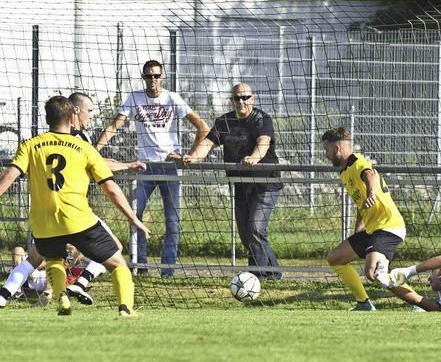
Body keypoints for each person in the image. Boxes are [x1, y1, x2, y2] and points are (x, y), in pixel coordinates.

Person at [0, 96, 150, 316]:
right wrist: (133, 218)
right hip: (78, 220)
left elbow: (7, 179)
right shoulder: (83, 147)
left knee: (52, 259)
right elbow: (110, 188)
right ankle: (126, 308)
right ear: (72, 116)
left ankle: (62, 296)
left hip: (43, 224)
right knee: (118, 263)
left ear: (46, 118)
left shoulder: (30, 146)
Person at [96, 60, 209, 277]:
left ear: (162, 76)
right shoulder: (135, 98)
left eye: (156, 76)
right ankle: (141, 267)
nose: (153, 80)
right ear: (143, 77)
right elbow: (113, 127)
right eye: (148, 76)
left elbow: (203, 127)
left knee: (172, 221)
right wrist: (93, 151)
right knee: (134, 215)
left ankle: (168, 271)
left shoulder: (172, 98)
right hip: (144, 167)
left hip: (170, 167)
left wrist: (191, 155)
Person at [319, 127, 441, 312]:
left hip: (389, 226)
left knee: (373, 273)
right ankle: (364, 303)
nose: (325, 155)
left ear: (337, 149)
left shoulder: (357, 162)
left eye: (326, 150)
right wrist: (358, 229)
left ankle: (423, 305)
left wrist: (372, 193)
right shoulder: (344, 172)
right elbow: (361, 204)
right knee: (335, 258)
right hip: (372, 230)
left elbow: (370, 175)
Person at [183, 83, 282, 279]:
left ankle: (259, 277)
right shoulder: (224, 121)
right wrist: (192, 157)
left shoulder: (262, 119)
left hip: (266, 184)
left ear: (252, 99)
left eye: (245, 97)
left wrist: (254, 157)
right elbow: (207, 143)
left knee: (255, 228)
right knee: (246, 235)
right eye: (237, 98)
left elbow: (263, 142)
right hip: (240, 184)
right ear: (232, 100)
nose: (241, 101)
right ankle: (274, 273)